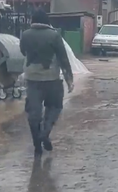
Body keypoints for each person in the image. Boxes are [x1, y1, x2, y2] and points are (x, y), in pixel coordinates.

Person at [20, 10, 74, 157]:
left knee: (33, 112)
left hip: (32, 79)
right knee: (54, 106)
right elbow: (63, 59)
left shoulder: (25, 35)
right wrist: (69, 80)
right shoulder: (54, 35)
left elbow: (23, 52)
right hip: (52, 79)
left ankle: (37, 145)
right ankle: (45, 133)